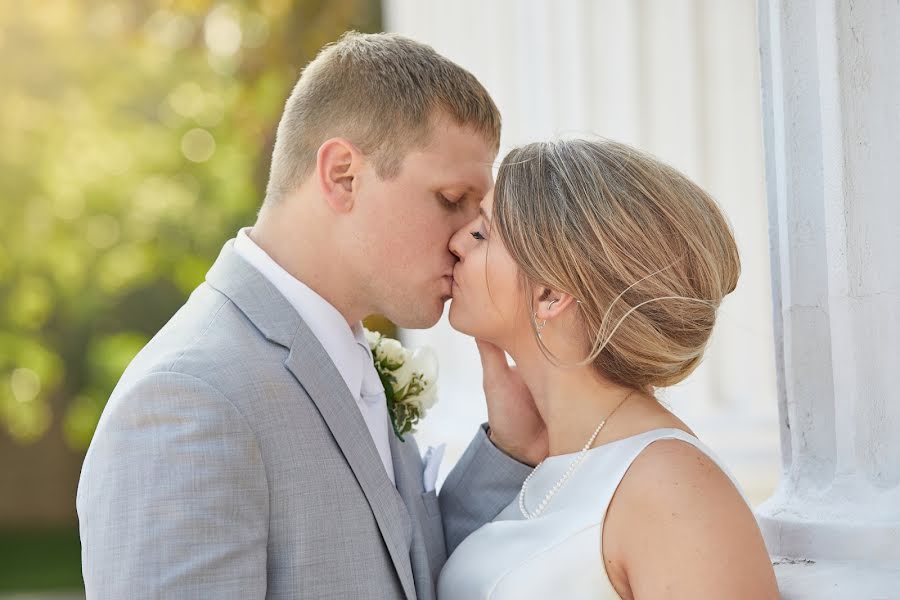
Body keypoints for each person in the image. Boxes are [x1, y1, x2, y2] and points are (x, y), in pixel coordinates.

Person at [76, 32, 544, 599]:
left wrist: (509, 451)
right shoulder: (189, 401)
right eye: (451, 199)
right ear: (343, 174)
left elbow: (403, 572)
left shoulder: (346, 352)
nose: (473, 234)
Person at [438, 139, 780, 599]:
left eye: (482, 234)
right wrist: (507, 448)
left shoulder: (674, 488)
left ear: (550, 295)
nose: (457, 242)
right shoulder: (557, 462)